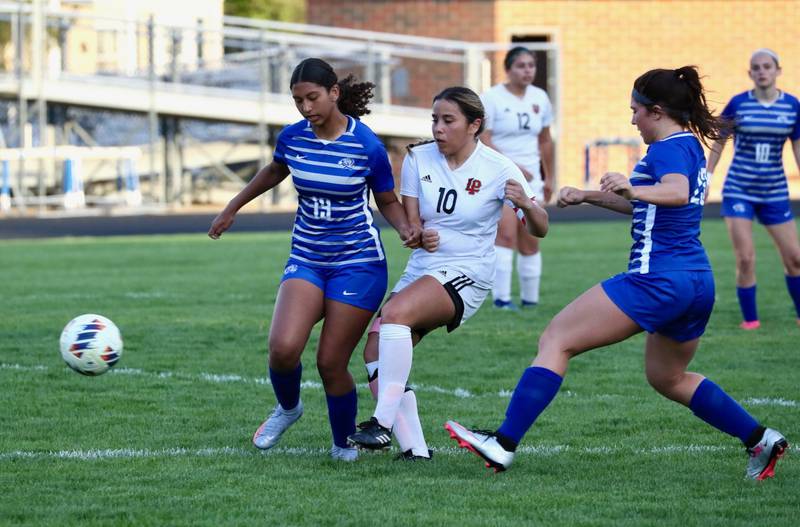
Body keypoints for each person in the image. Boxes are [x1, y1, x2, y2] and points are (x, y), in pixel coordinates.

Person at [445, 66, 788, 481]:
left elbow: (676, 193)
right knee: (668, 377)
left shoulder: (666, 151)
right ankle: (759, 437)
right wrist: (590, 195)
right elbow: (653, 202)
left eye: (636, 111)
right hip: (696, 282)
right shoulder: (689, 146)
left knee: (556, 338)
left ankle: (502, 443)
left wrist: (632, 187)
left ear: (657, 111)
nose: (632, 120)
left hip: (657, 278)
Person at [208, 58, 419, 462]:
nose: (305, 108)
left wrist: (405, 228)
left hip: (358, 262)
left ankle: (342, 444)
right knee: (283, 348)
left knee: (330, 362)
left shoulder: (366, 146)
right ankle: (288, 409)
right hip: (306, 257)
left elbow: (387, 200)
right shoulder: (292, 138)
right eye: (298, 100)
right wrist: (232, 207)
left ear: (334, 93)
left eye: (312, 98)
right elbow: (275, 170)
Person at [346, 86, 549, 452]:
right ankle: (416, 450)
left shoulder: (499, 168)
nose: (439, 128)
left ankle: (381, 423)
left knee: (395, 314)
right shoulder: (418, 158)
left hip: (468, 272)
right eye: (435, 119)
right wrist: (418, 236)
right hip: (424, 269)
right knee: (375, 352)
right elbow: (412, 227)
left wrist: (528, 206)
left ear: (475, 125)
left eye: (448, 120)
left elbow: (540, 228)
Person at [706, 48, 800, 330]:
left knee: (795, 258)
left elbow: (797, 145)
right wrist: (708, 175)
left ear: (777, 71)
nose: (762, 71)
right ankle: (751, 321)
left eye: (767, 66)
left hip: (774, 191)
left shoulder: (792, 106)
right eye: (756, 67)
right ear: (750, 73)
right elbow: (720, 139)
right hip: (739, 190)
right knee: (745, 258)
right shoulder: (738, 104)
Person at [480, 46, 555, 310]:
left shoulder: (540, 97)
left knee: (532, 238)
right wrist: (512, 166)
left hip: (531, 179)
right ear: (508, 69)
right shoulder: (491, 97)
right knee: (506, 236)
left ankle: (530, 302)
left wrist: (549, 177)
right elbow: (484, 138)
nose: (527, 70)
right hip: (501, 177)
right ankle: (501, 300)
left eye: (531, 65)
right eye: (521, 66)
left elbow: (545, 139)